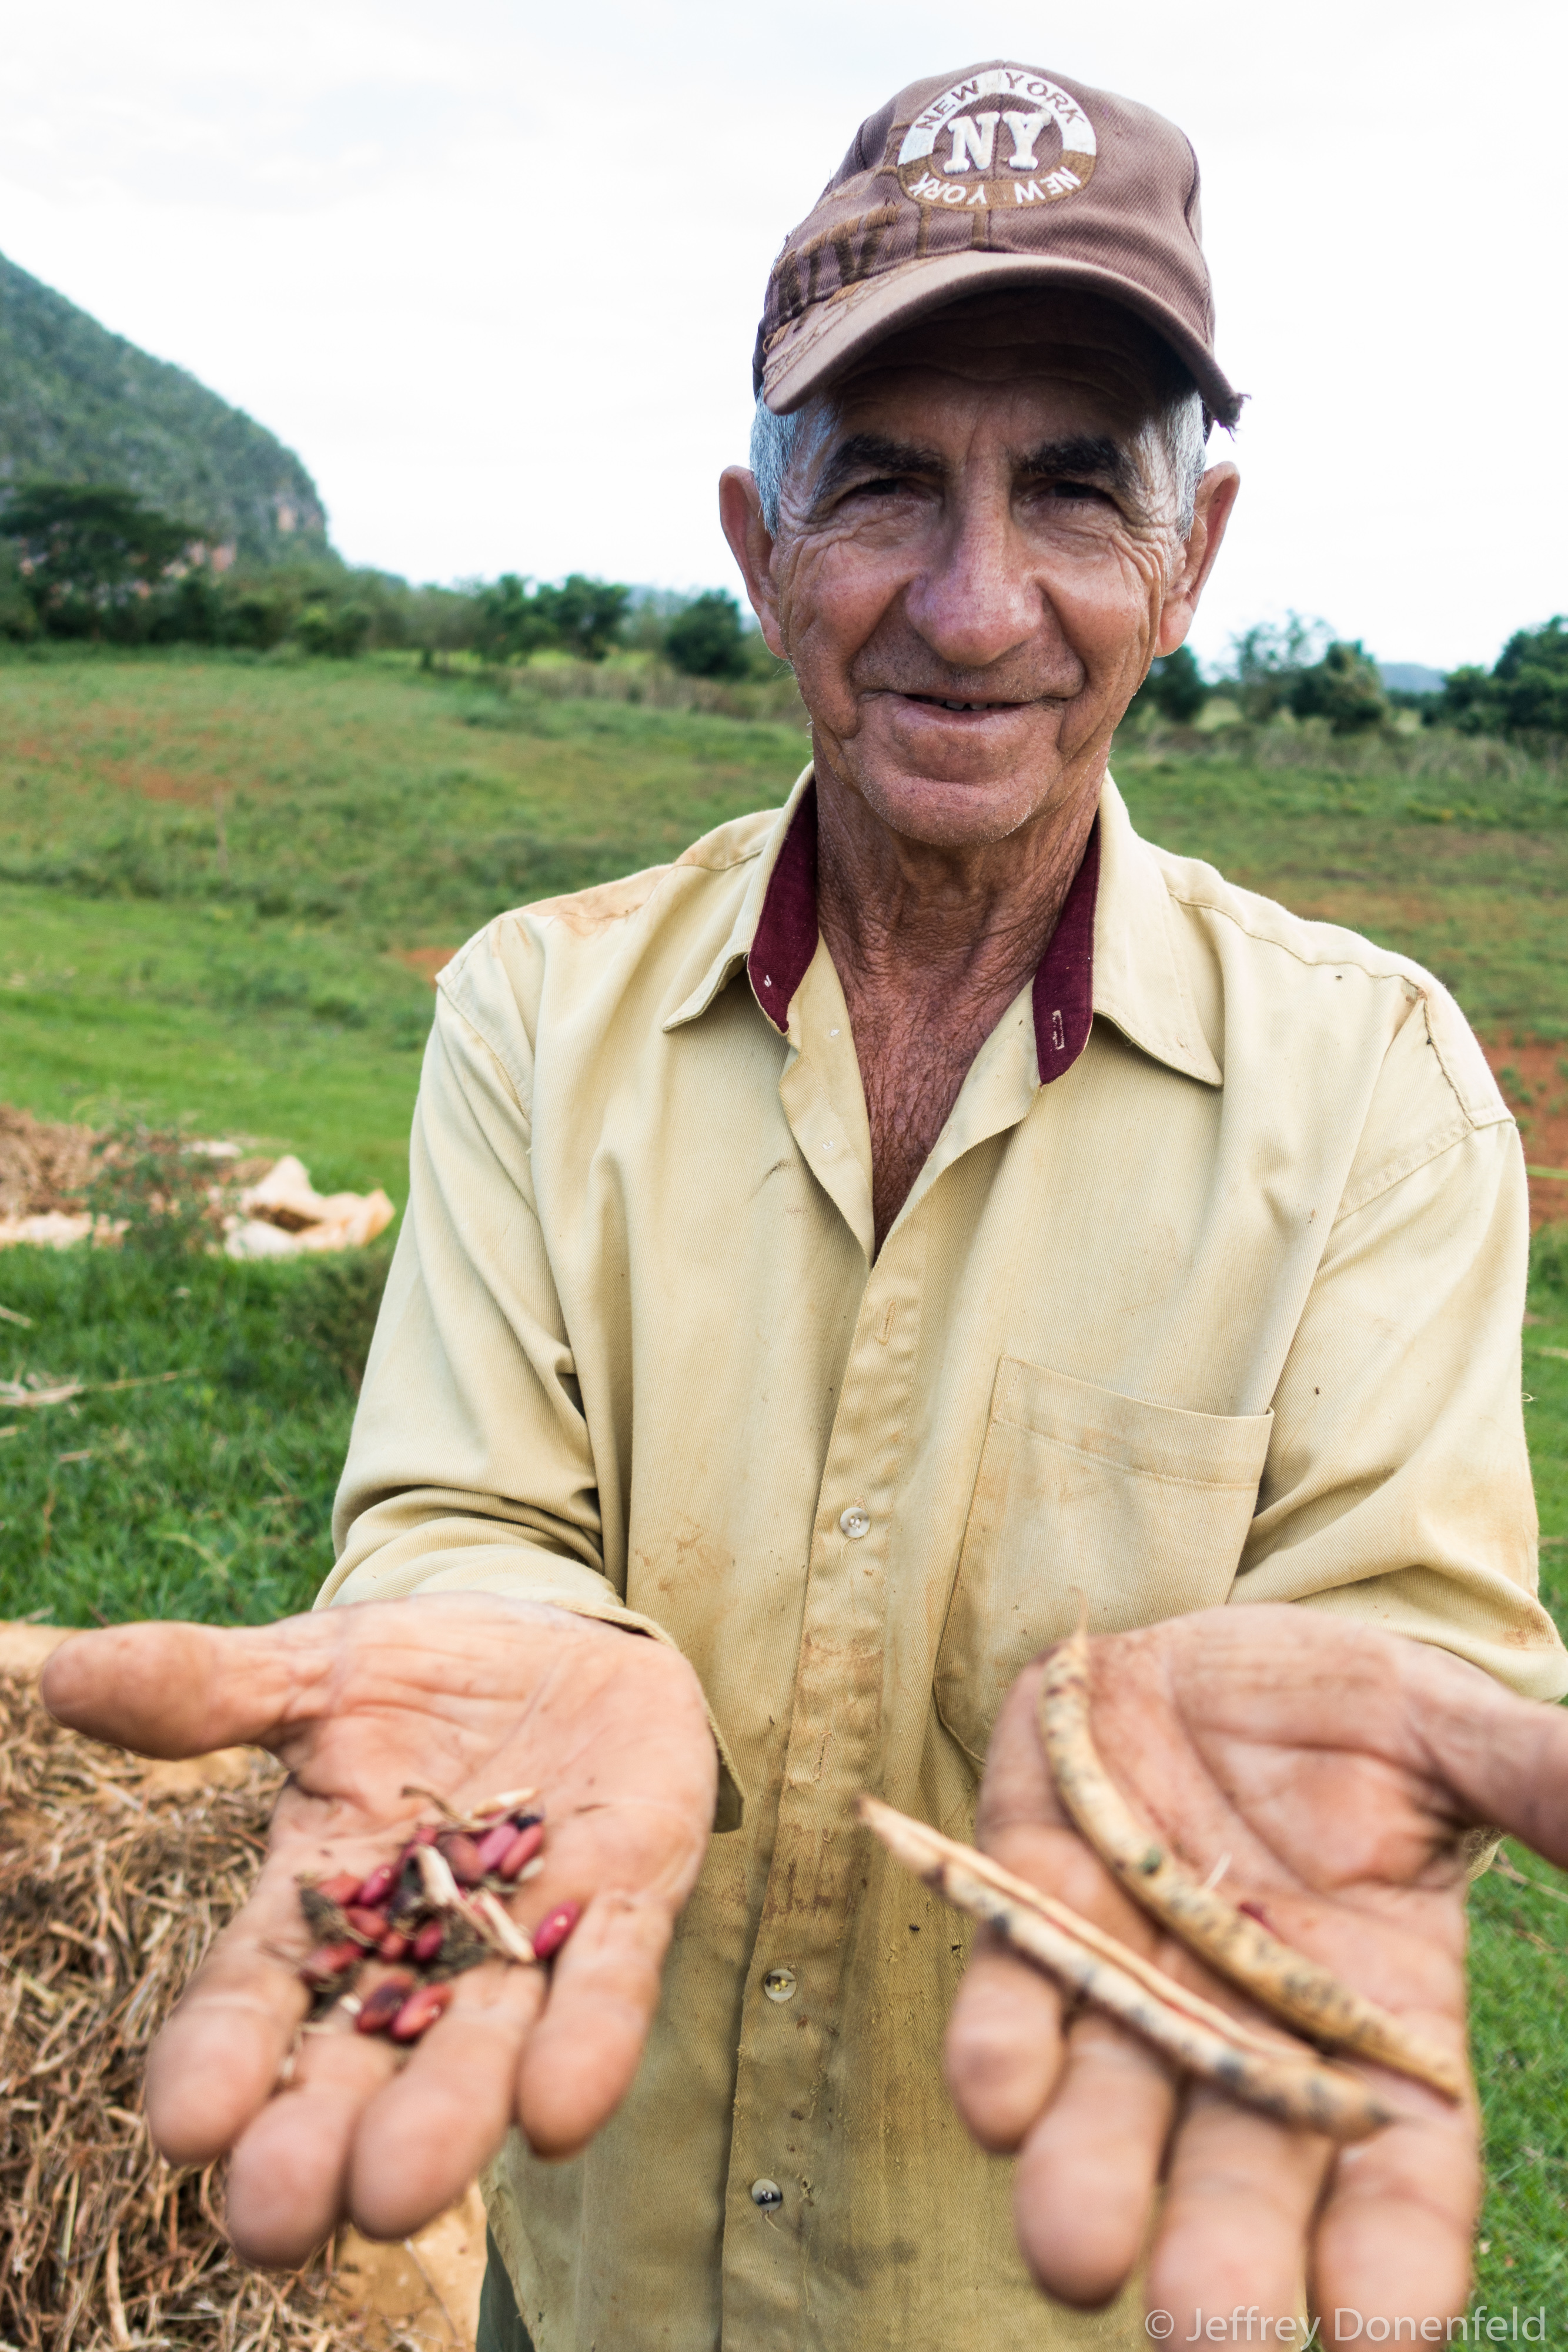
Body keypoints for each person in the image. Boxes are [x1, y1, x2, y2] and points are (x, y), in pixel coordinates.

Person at [43, 59, 1568, 2352]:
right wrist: (544, 1662)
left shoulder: (1374, 1093)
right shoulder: (535, 1019)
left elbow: (1393, 1645)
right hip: (591, 2292)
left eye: (1070, 489)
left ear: (1195, 558)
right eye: (879, 489)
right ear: (761, 555)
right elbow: (460, 1510)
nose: (974, 603)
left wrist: (1344, 1744)